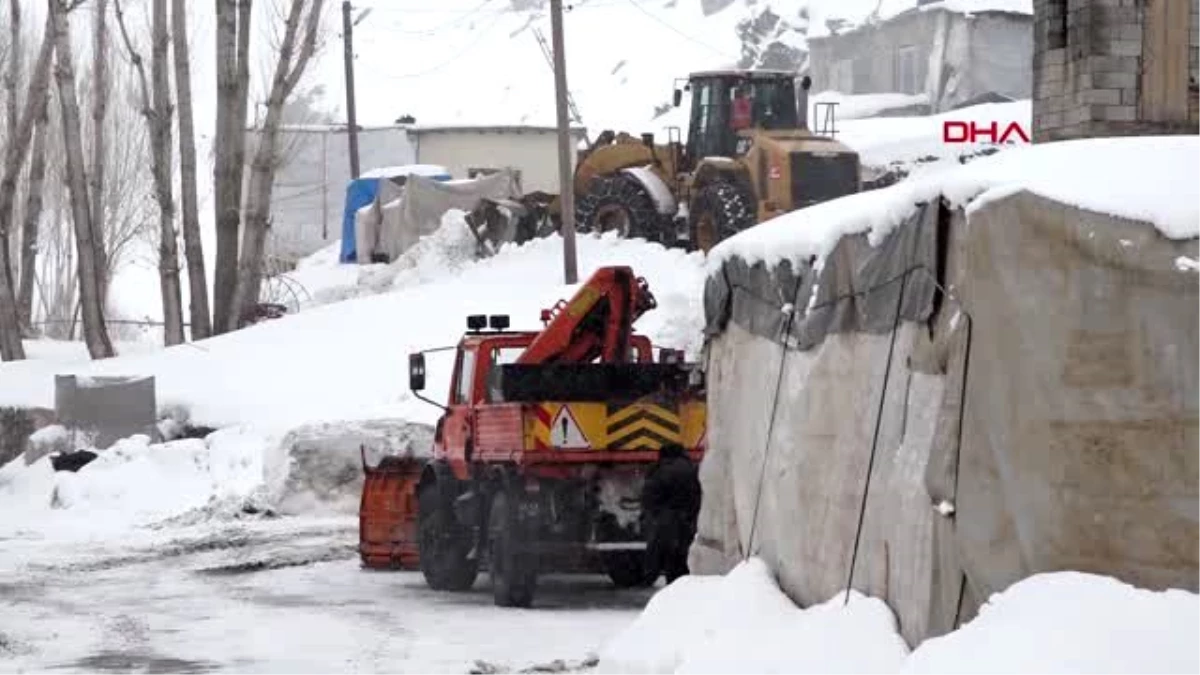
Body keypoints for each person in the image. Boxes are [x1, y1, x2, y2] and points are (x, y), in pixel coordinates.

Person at [641, 443, 702, 584]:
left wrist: (655, 515)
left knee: (669, 559)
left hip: (666, 524)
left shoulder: (658, 470)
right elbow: (699, 495)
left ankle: (668, 586)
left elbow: (649, 498)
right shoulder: (692, 469)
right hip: (688, 523)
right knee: (684, 558)